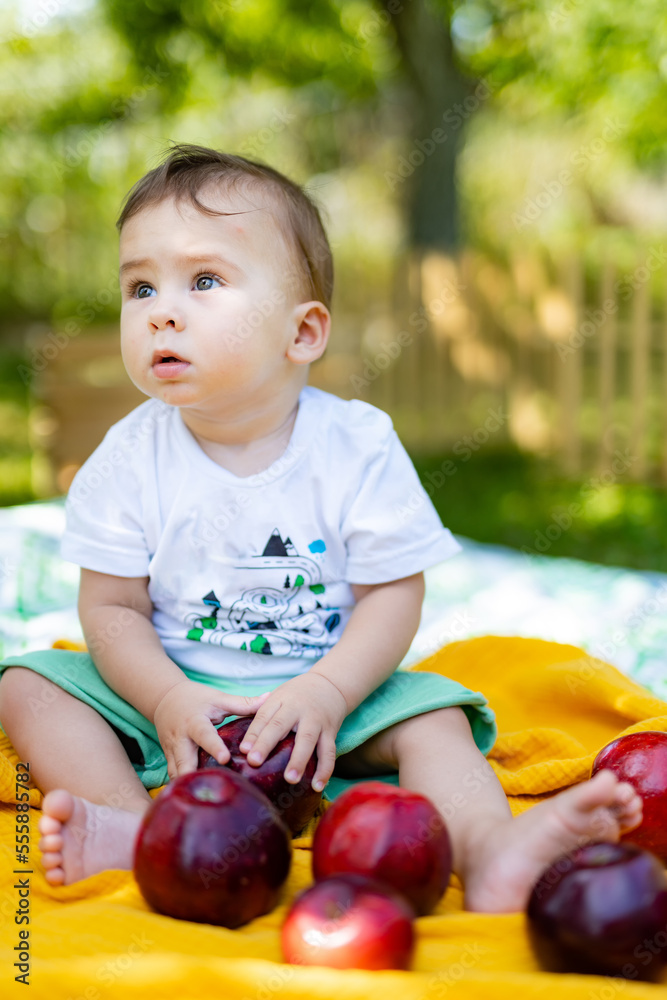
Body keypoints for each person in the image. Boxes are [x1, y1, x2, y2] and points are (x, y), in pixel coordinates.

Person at [0, 144, 641, 912]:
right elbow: (109, 609)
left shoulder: (355, 445)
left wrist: (330, 692)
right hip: (175, 701)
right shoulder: (128, 457)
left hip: (329, 700)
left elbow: (391, 595)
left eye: (204, 281)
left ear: (302, 333)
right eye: (140, 286)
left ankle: (490, 851)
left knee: (435, 716)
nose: (160, 308)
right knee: (28, 686)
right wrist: (167, 697)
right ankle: (137, 829)